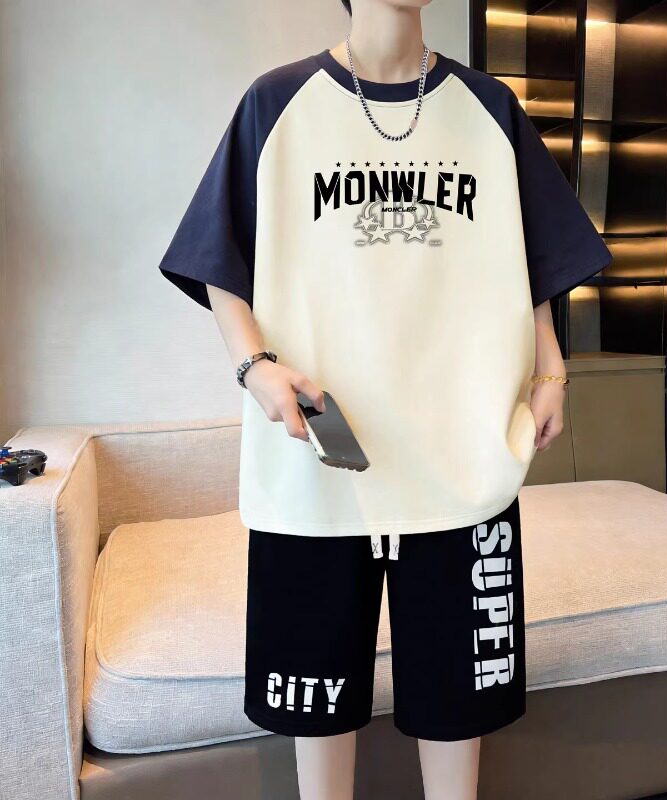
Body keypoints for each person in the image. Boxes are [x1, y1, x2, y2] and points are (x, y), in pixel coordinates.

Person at [157, 0, 612, 797]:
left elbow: (534, 255)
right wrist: (255, 366)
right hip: (318, 459)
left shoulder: (489, 106)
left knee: (457, 701)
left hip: (463, 455)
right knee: (316, 700)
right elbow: (216, 254)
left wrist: (551, 370)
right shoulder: (277, 101)